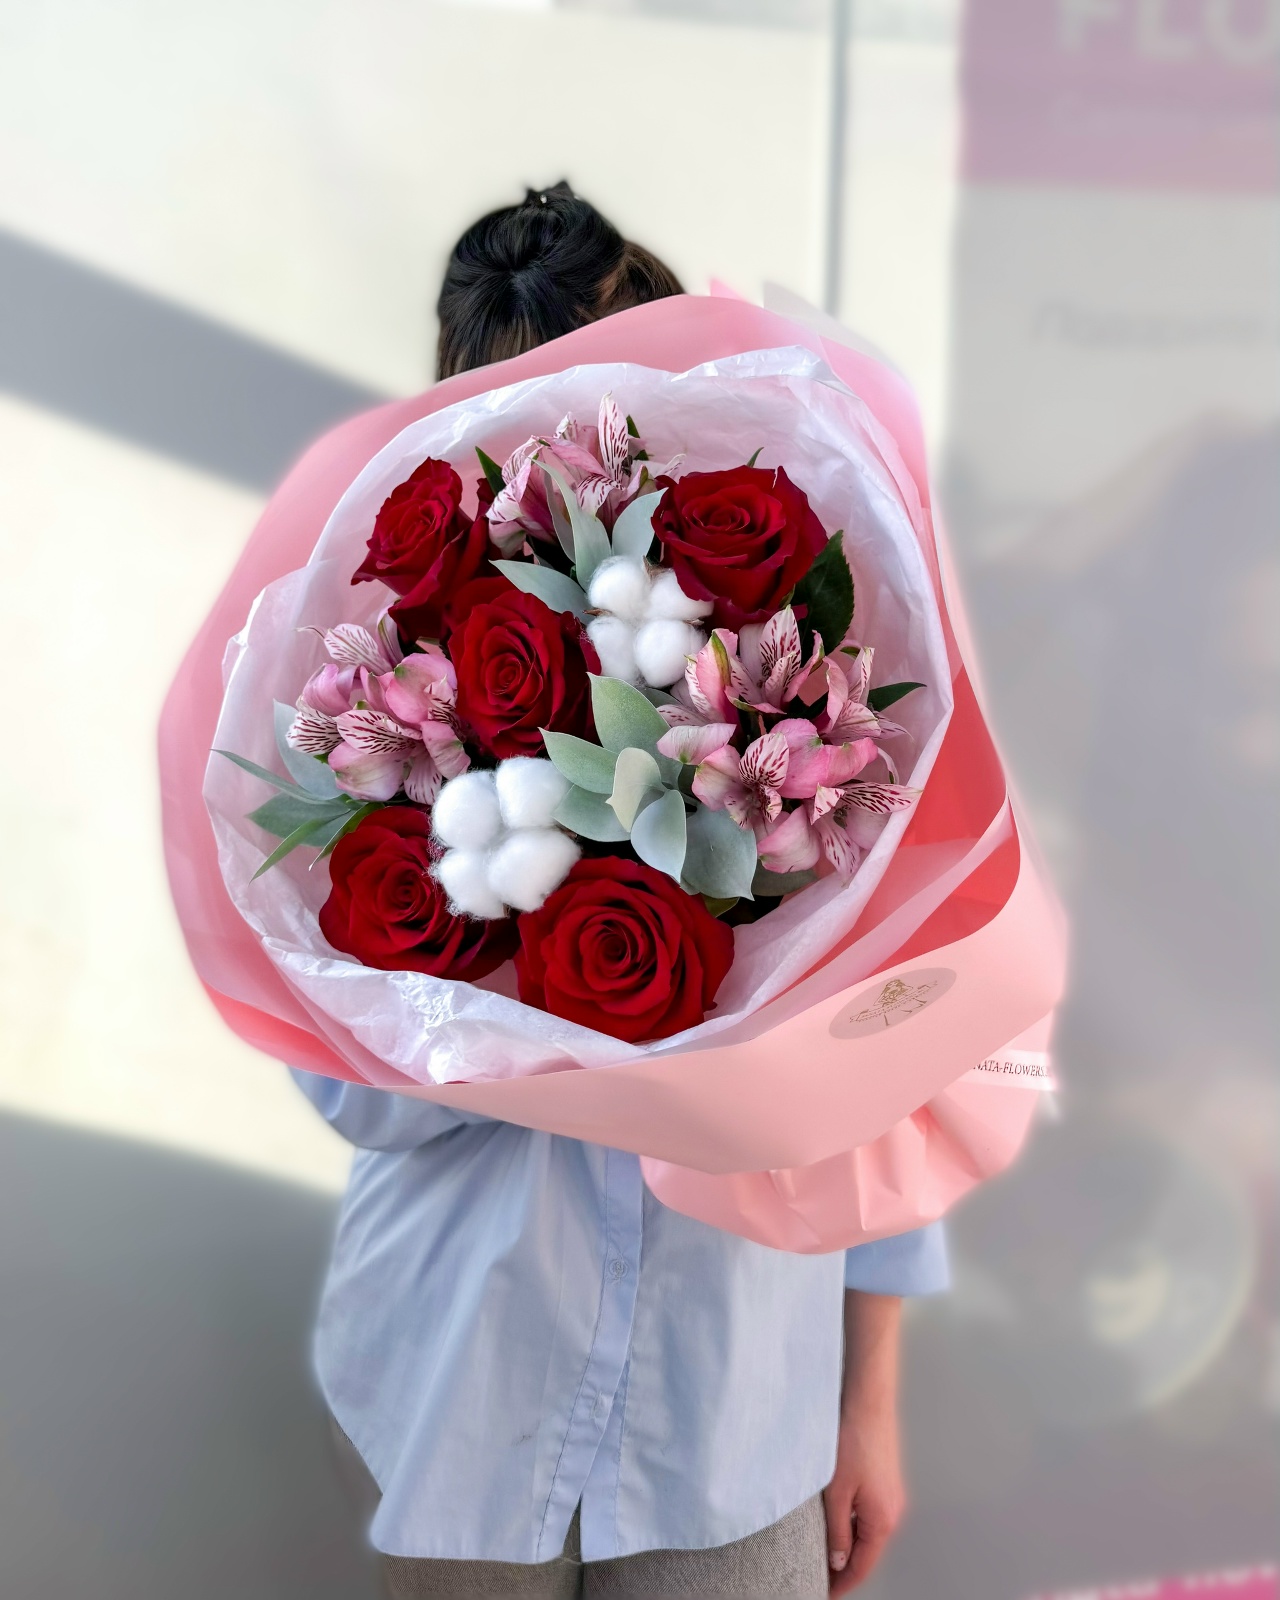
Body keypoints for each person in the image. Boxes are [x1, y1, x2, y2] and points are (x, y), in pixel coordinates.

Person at [293, 182, 949, 1599]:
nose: (585, 446)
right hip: (453, 1385)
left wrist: (873, 1398)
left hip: (734, 1408)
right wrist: (514, 975)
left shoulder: (799, 658)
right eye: (533, 404)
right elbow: (355, 1099)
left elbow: (889, 1053)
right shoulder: (372, 674)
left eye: (617, 389)